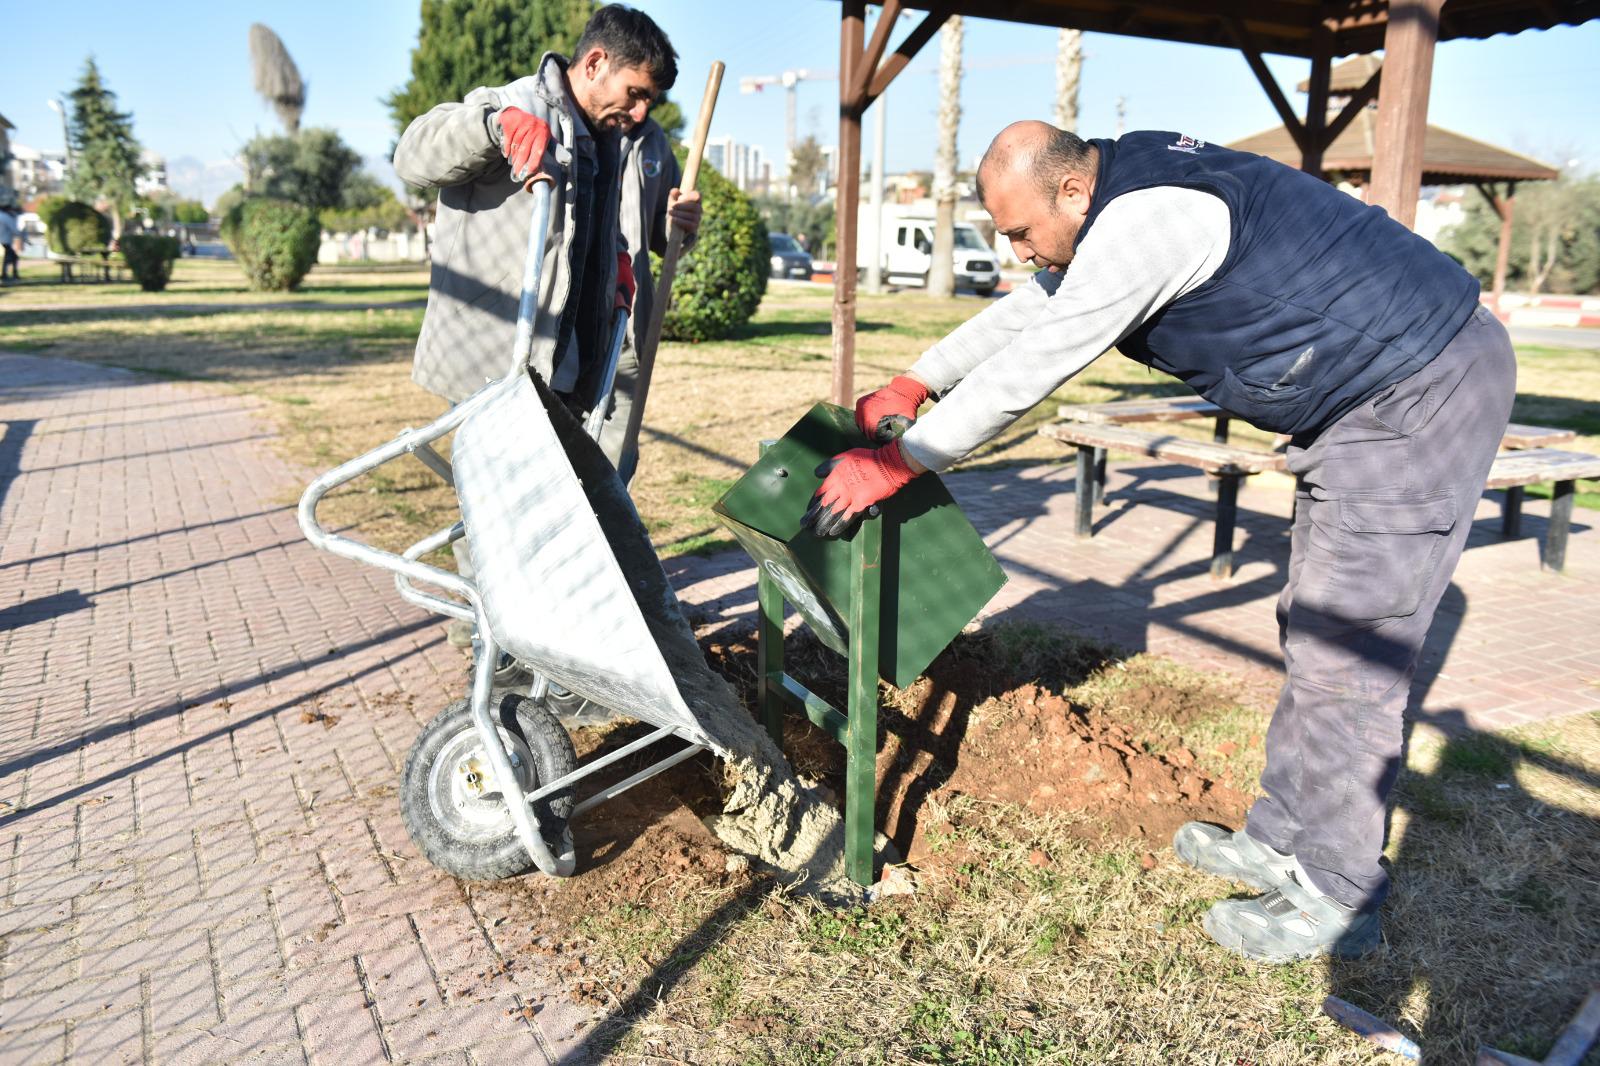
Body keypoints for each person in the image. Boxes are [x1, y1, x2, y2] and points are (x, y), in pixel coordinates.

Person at [803, 122, 1515, 963]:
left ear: (1073, 191)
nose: (1024, 253)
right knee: (1314, 626)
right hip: (1365, 400)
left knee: (1350, 651)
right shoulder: (1104, 204)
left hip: (1417, 389)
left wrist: (900, 459)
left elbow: (1040, 361)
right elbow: (1038, 305)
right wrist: (921, 377)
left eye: (1023, 233)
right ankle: (1281, 836)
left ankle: (1339, 890)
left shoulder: (1149, 226)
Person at [392, 4, 700, 645]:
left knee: (554, 511)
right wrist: (492, 128)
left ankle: (543, 635)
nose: (641, 112)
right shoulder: (512, 102)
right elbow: (413, 154)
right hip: (496, 362)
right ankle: (490, 646)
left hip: (574, 367)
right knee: (493, 513)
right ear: (594, 64)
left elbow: (629, 240)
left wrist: (665, 238)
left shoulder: (626, 144)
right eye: (635, 93)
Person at [598, 114, 696, 483]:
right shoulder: (573, 123)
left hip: (626, 315)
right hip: (567, 319)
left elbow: (663, 235)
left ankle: (604, 533)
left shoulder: (654, 141)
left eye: (649, 99)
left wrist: (681, 223)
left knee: (619, 447)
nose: (639, 112)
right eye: (635, 93)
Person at [0, 204, 22, 284]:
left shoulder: (2, 216)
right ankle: (8, 274)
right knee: (12, 257)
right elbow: (14, 229)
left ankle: (7, 274)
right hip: (5, 240)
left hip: (4, 240)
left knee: (10, 257)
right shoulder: (5, 217)